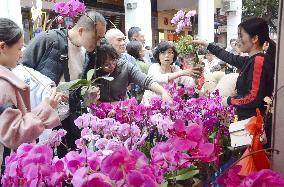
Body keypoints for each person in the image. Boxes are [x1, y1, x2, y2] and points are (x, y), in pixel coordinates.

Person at [21, 11, 107, 157]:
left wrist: (88, 94)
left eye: (101, 38)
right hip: (42, 117)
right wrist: (45, 90)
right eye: (96, 37)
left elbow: (76, 90)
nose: (98, 42)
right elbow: (22, 71)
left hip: (68, 119)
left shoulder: (87, 54)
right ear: (81, 30)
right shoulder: (48, 39)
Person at [0, 18, 62, 171]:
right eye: (19, 48)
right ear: (2, 47)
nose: (21, 54)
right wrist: (46, 107)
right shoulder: (4, 85)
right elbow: (13, 135)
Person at [193, 17, 276, 121]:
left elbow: (253, 98)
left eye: (240, 36)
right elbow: (228, 57)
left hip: (253, 125)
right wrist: (207, 44)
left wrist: (229, 101)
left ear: (254, 39)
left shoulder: (258, 61)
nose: (237, 40)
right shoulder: (251, 60)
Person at [94, 44, 171, 103]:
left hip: (122, 108)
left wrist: (163, 91)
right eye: (106, 64)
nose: (112, 66)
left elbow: (146, 80)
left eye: (114, 60)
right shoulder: (93, 74)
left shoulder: (125, 66)